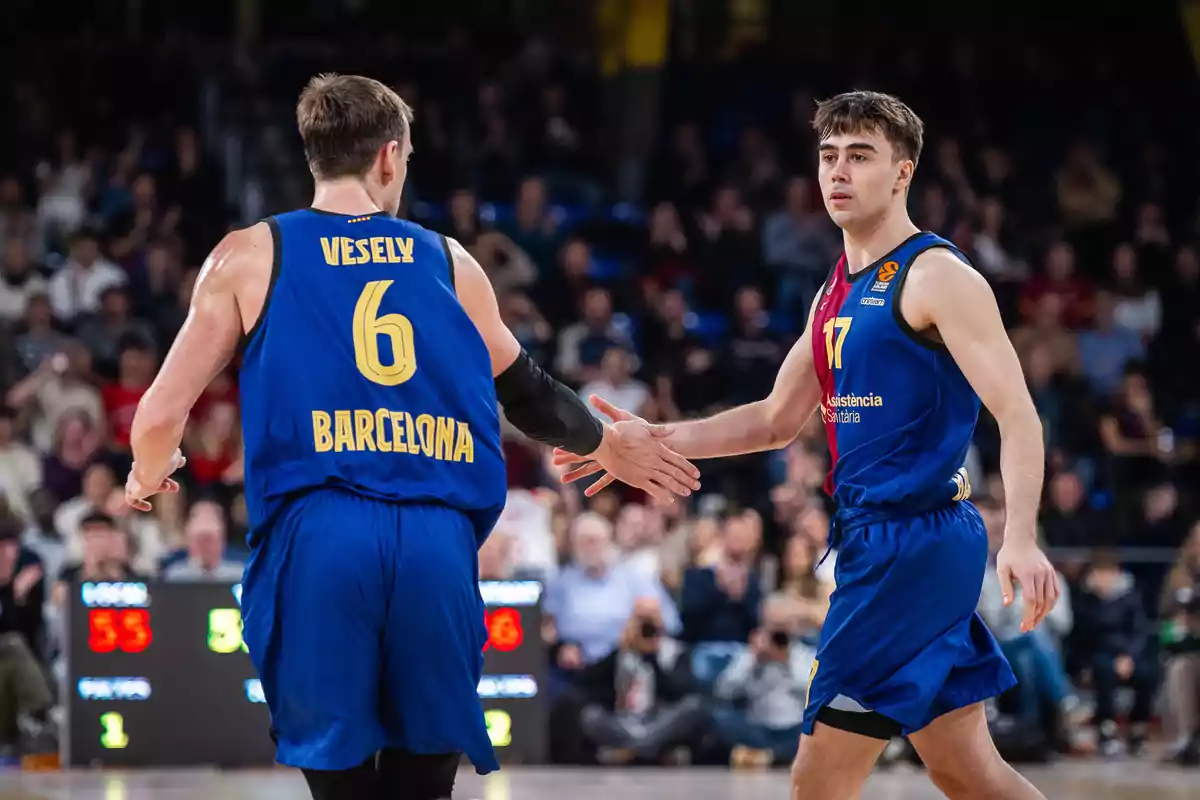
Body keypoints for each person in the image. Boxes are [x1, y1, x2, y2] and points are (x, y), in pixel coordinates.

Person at [122, 73, 700, 800]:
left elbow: (157, 417)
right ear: (390, 159)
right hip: (434, 539)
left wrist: (148, 473)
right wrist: (608, 444)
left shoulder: (248, 255)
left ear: (314, 154)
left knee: (340, 784)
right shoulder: (450, 261)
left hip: (319, 534)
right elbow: (527, 391)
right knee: (424, 783)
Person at [556, 91, 1059, 799]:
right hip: (877, 542)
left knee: (815, 781)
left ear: (903, 174)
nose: (839, 173)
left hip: (910, 547)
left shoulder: (938, 276)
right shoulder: (834, 289)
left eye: (860, 157)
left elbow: (1020, 414)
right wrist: (643, 438)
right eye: (829, 157)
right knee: (967, 771)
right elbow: (772, 419)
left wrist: (1024, 538)